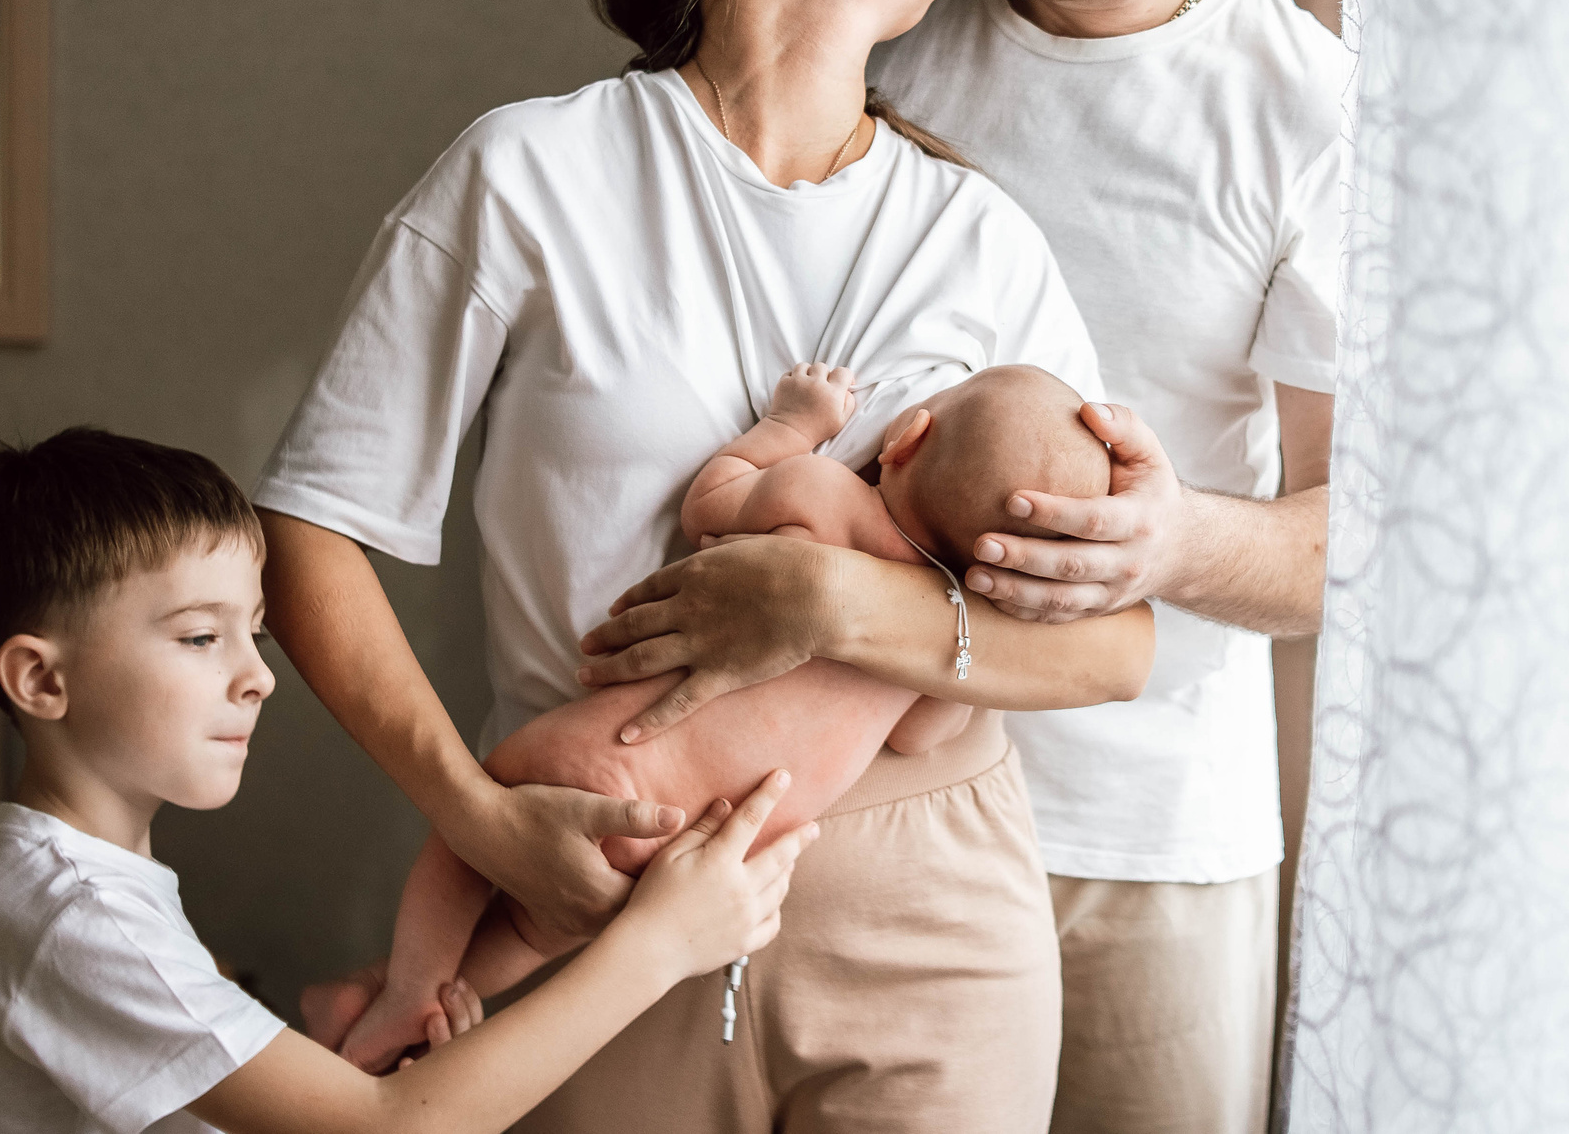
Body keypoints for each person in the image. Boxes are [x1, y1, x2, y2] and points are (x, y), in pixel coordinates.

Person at [255, 0, 1153, 1131]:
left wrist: (840, 597)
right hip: (604, 878)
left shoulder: (982, 236)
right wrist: (488, 823)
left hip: (934, 902)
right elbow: (312, 523)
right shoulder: (530, 174)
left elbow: (1112, 640)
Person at [577, 0, 1344, 1134]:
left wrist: (1174, 539)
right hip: (833, 785)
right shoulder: (899, 29)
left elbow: (1371, 533)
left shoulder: (1306, 118)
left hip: (1139, 841)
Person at [0, 426, 813, 1134]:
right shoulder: (75, 915)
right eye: (203, 637)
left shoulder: (78, 883)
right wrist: (662, 943)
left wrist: (328, 1067)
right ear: (42, 680)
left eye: (257, 635)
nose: (259, 676)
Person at [323, 360, 1113, 1072]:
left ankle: (406, 989)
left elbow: (712, 506)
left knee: (475, 831)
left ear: (907, 437)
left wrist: (793, 427)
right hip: (700, 846)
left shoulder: (828, 500)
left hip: (610, 762)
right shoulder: (938, 634)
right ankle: (435, 1008)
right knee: (541, 929)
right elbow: (919, 737)